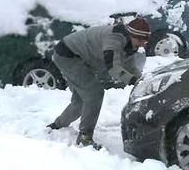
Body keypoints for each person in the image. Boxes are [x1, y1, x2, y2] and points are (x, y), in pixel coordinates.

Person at [46, 17, 151, 149]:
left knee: (80, 101)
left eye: (145, 41)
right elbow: (114, 69)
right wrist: (132, 80)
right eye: (140, 40)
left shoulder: (129, 44)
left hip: (77, 57)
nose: (142, 44)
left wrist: (142, 81)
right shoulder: (115, 39)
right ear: (131, 35)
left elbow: (130, 67)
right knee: (94, 94)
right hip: (68, 56)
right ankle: (85, 137)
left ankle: (57, 126)